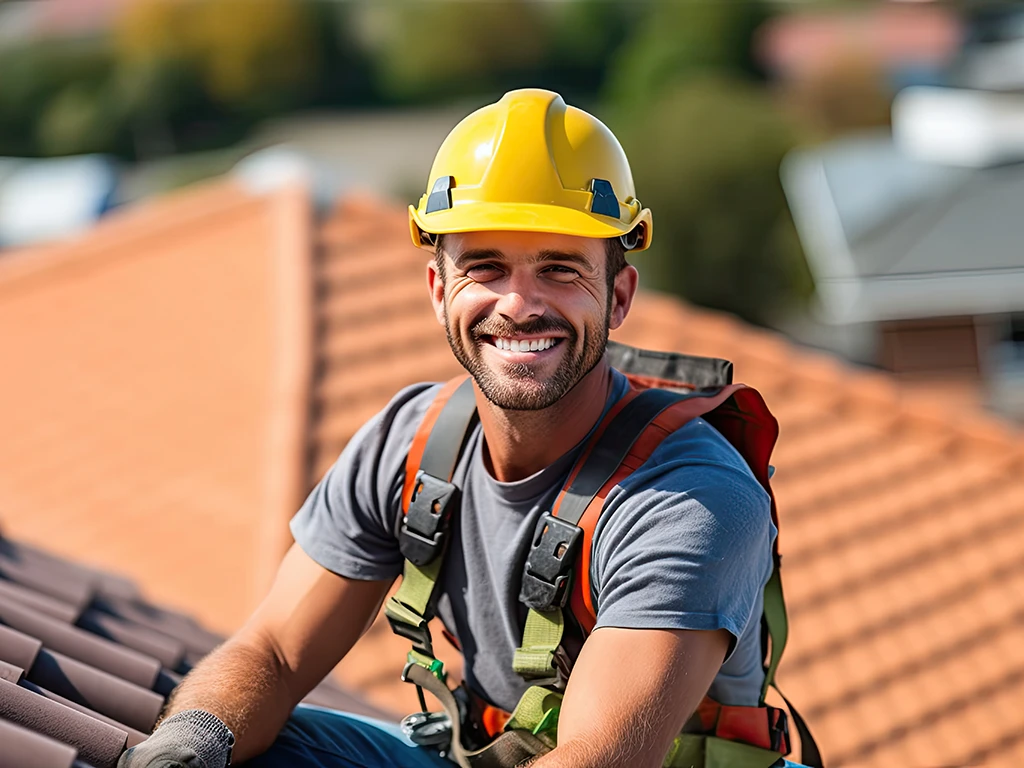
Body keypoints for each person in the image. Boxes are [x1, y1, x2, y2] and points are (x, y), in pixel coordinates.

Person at [120, 89, 795, 768]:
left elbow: (598, 756)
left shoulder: (689, 501)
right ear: (440, 291)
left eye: (560, 270)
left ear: (618, 297)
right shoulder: (413, 447)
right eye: (485, 267)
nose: (519, 304)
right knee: (266, 744)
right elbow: (273, 651)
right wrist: (193, 742)